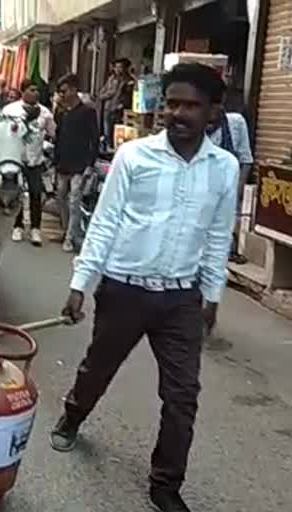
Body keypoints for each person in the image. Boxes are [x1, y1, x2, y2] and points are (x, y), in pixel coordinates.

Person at [52, 63, 239, 512]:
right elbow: (105, 222)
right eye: (171, 102)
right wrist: (81, 282)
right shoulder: (134, 157)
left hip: (180, 299)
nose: (178, 113)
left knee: (182, 396)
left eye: (191, 105)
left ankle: (165, 485)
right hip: (124, 289)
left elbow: (218, 235)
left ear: (213, 112)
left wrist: (211, 295)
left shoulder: (225, 168)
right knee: (99, 366)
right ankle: (74, 414)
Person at [3, 79, 56, 246]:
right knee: (16, 194)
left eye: (37, 90)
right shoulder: (10, 110)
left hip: (36, 161)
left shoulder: (45, 113)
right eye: (32, 89)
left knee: (35, 194)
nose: (36, 93)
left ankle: (35, 229)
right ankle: (17, 226)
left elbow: (53, 132)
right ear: (23, 91)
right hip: (16, 160)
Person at [53, 73, 99, 253]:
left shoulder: (88, 111)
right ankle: (66, 230)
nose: (62, 94)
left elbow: (94, 139)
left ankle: (70, 237)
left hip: (80, 164)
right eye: (60, 92)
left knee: (74, 200)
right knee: (60, 197)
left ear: (73, 90)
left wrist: (90, 164)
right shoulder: (61, 112)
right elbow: (58, 136)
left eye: (64, 91)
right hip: (63, 162)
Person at [207, 91, 254, 264]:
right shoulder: (193, 129)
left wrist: (238, 187)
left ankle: (228, 251)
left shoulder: (235, 122)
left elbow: (246, 159)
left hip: (227, 185)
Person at [98, 58, 135, 148]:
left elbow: (126, 96)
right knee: (107, 130)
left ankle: (113, 148)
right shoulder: (112, 78)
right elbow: (104, 90)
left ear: (126, 68)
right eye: (116, 67)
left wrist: (121, 105)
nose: (117, 69)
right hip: (108, 107)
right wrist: (102, 95)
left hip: (119, 109)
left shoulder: (129, 81)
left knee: (116, 131)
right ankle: (107, 146)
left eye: (120, 67)